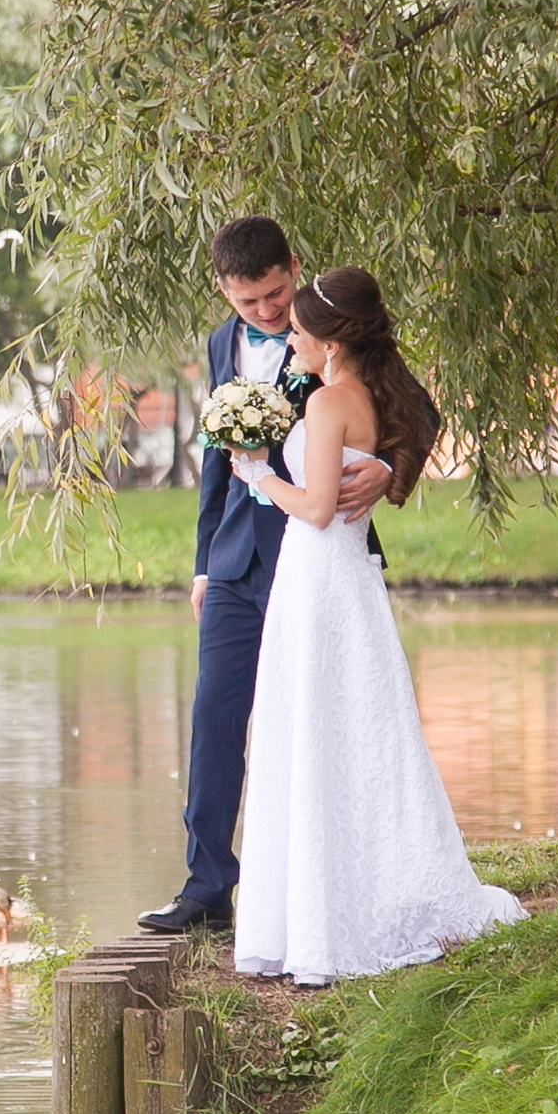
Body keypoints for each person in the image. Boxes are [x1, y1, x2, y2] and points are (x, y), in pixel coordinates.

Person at [229, 267, 525, 983]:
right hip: (341, 580)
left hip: (321, 576)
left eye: (296, 329)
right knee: (355, 727)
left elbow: (319, 507)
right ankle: (332, 907)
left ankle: (328, 924)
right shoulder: (365, 389)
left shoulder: (332, 400)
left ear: (329, 341)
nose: (286, 335)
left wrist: (259, 475)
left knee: (320, 726)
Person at [139, 218, 390, 934]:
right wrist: (200, 566)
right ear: (224, 290)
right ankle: (207, 888)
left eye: (275, 296)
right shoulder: (222, 344)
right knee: (213, 717)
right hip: (232, 565)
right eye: (248, 304)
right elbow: (217, 460)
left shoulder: (333, 328)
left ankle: (327, 883)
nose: (266, 314)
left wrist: (388, 467)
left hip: (313, 561)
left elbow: (410, 411)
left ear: (294, 267)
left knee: (313, 723)